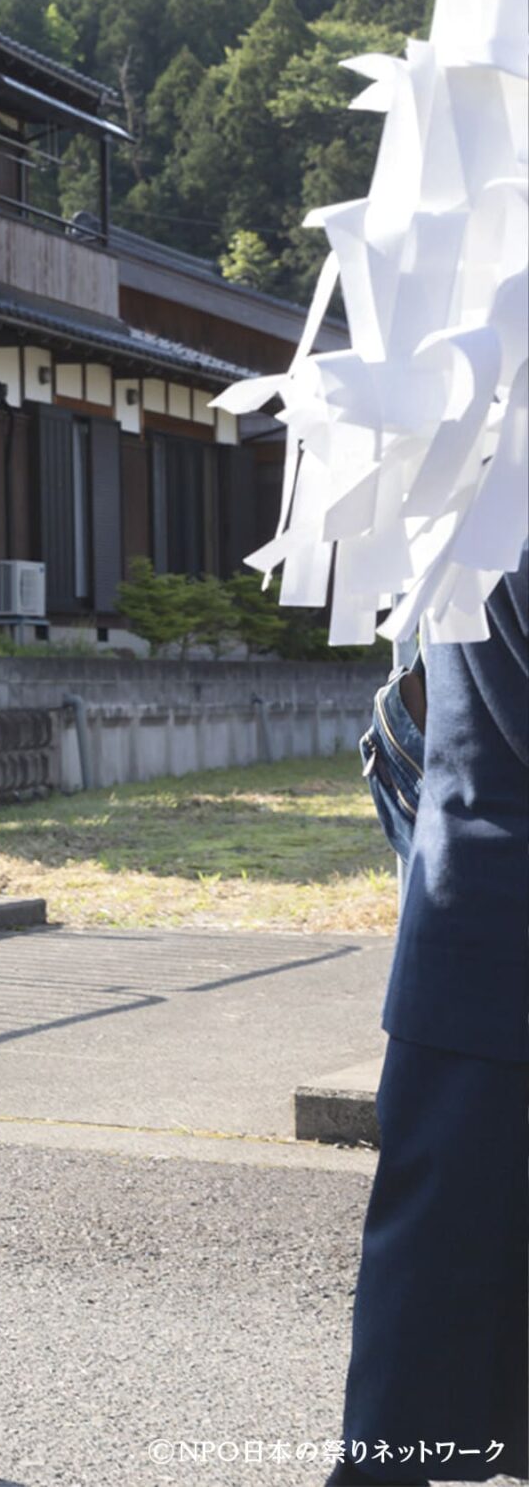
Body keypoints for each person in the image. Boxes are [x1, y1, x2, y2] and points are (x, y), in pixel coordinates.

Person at [328, 552, 528, 1486]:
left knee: (442, 1257)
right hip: (490, 913)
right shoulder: (503, 472)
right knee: (440, 1261)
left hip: (475, 912)